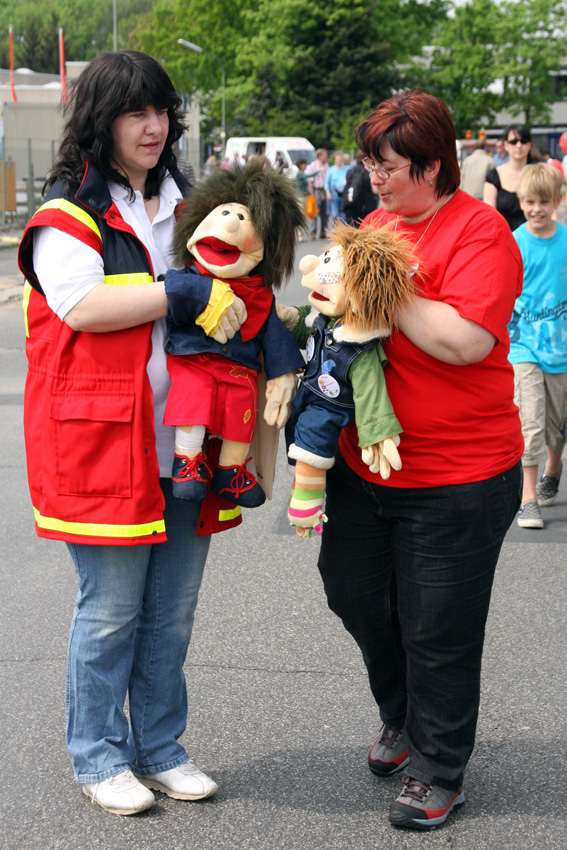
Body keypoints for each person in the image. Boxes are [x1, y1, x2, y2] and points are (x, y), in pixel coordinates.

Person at [17, 50, 243, 817]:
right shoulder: (65, 216)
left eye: (161, 112)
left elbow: (232, 278)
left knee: (171, 611)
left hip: (186, 435)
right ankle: (98, 755)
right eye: (134, 112)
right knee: (110, 612)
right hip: (101, 443)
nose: (153, 126)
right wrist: (179, 291)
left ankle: (161, 747)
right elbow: (80, 307)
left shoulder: (188, 202)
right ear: (99, 121)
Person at [312, 89, 523, 830]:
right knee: (353, 595)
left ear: (433, 167)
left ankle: (437, 767)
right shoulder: (377, 222)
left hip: (458, 474)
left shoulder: (480, 232)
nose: (375, 176)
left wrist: (375, 281)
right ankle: (401, 714)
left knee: (439, 626)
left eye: (390, 165)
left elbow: (462, 341)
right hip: (365, 465)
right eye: (370, 162)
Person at [508, 164, 567, 529]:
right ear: (521, 201)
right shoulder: (516, 241)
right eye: (530, 202)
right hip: (523, 346)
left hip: (560, 349)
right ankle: (528, 497)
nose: (536, 209)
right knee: (529, 422)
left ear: (558, 201)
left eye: (544, 202)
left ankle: (554, 466)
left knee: (556, 428)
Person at [483, 123, 532, 230]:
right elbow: (489, 216)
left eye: (523, 141)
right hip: (503, 238)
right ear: (506, 145)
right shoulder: (494, 176)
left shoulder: (538, 175)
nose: (519, 145)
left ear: (529, 144)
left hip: (533, 240)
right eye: (514, 142)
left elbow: (550, 209)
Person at [341, 150, 377, 225]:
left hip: (351, 204)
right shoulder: (369, 172)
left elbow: (344, 186)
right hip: (366, 206)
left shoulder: (349, 171)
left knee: (352, 230)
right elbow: (374, 190)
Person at [305, 148, 329, 239]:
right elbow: (310, 181)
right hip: (317, 189)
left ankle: (323, 231)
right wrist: (312, 193)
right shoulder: (313, 165)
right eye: (324, 155)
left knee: (325, 212)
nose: (326, 157)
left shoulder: (326, 164)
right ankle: (313, 232)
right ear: (319, 156)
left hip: (324, 189)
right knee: (315, 211)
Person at [324, 151, 348, 223]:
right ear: (334, 160)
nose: (340, 160)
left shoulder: (347, 169)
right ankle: (336, 230)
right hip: (334, 196)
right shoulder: (330, 170)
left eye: (341, 159)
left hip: (344, 195)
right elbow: (326, 183)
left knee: (343, 215)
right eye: (338, 159)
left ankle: (343, 231)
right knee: (335, 215)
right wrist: (328, 192)